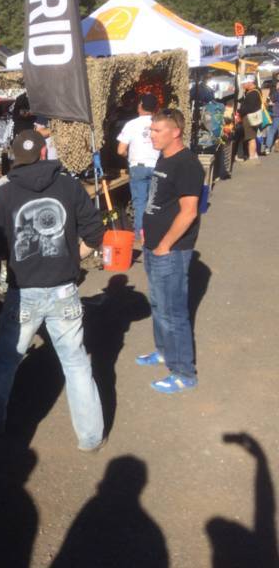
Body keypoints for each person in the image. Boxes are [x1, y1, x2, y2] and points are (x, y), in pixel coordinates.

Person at [0, 130, 106, 451]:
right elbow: (95, 233)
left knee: (6, 360)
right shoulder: (69, 185)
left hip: (24, 293)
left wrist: (18, 258)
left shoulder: (3, 196)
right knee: (76, 364)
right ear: (45, 152)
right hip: (64, 290)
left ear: (15, 157)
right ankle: (90, 437)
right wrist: (74, 258)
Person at [136, 109, 204, 394]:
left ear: (175, 132)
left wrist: (165, 244)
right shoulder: (165, 157)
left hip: (171, 251)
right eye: (151, 130)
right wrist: (146, 228)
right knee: (157, 305)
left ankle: (183, 372)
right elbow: (159, 199)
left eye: (156, 131)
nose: (151, 135)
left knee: (173, 312)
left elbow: (189, 212)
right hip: (154, 244)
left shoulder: (187, 164)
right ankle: (164, 351)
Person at [117, 93, 160, 242]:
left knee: (140, 203)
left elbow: (120, 150)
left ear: (140, 106)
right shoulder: (160, 123)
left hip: (138, 167)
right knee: (155, 202)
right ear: (156, 108)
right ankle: (156, 233)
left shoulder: (131, 124)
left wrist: (129, 156)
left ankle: (142, 236)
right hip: (157, 166)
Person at [236, 75, 263, 163]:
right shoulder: (255, 91)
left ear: (250, 83)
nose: (243, 85)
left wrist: (239, 111)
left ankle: (252, 157)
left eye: (244, 83)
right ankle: (254, 155)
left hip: (250, 118)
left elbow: (249, 108)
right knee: (252, 137)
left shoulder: (252, 93)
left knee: (251, 138)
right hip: (253, 117)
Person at [263, 80, 279, 154]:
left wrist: (270, 103)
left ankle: (267, 148)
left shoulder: (276, 93)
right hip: (275, 114)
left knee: (271, 131)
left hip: (274, 113)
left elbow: (269, 102)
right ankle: (270, 146)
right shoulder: (275, 93)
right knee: (272, 130)